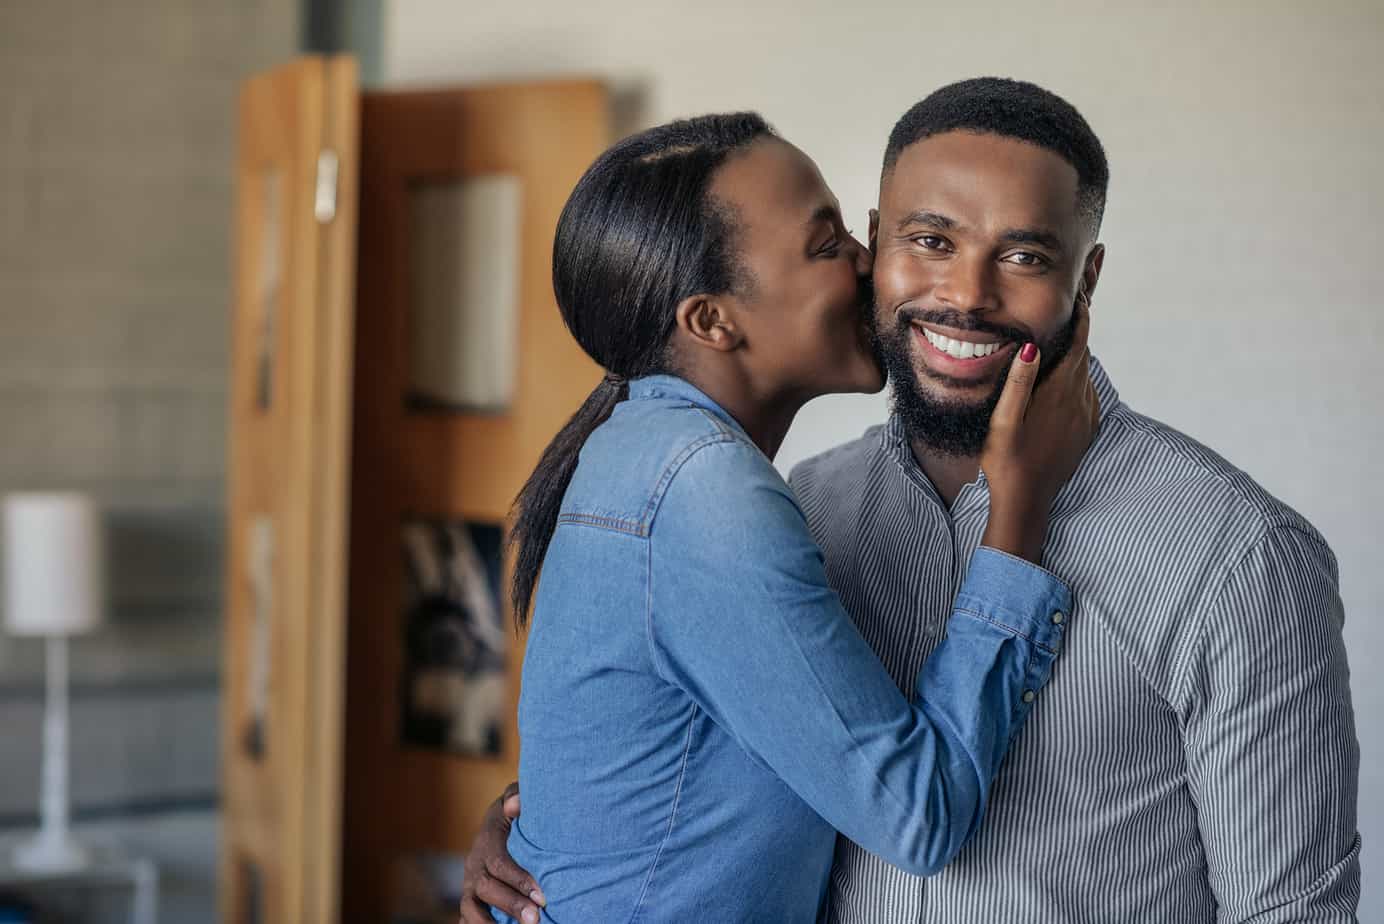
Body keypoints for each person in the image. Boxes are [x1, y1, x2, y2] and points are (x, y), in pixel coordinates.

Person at [463, 79, 1361, 923]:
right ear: (878, 246)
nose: (965, 295)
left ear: (1084, 281)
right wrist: (541, 832)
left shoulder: (1236, 555)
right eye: (928, 241)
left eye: (1023, 254)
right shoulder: (799, 510)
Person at [482, 111, 1099, 923]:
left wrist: (535, 821)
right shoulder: (702, 490)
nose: (866, 263)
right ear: (711, 320)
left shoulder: (641, 450)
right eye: (825, 244)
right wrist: (1018, 512)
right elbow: (916, 815)